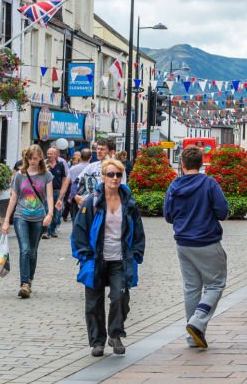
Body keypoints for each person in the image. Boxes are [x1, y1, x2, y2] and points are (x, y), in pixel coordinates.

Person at [72, 156, 146, 357]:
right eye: (110, 174)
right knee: (93, 303)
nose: (114, 178)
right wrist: (85, 254)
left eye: (118, 174)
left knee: (119, 298)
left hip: (120, 260)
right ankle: (97, 342)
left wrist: (137, 253)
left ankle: (115, 334)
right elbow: (79, 229)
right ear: (103, 177)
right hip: (96, 259)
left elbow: (138, 230)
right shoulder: (93, 202)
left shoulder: (129, 203)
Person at [164, 146, 230, 349]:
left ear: (182, 164)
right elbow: (222, 211)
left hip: (183, 243)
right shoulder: (209, 183)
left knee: (191, 288)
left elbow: (168, 216)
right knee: (216, 284)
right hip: (207, 241)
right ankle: (198, 320)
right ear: (201, 164)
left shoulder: (174, 186)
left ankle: (193, 337)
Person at [2, 145, 54, 298]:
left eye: (35, 158)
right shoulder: (20, 175)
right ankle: (24, 283)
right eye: (30, 158)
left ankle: (29, 280)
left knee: (32, 251)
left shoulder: (46, 176)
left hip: (39, 217)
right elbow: (13, 198)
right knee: (24, 249)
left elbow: (50, 197)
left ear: (40, 159)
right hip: (21, 216)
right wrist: (6, 221)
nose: (32, 161)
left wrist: (50, 214)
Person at [77, 139, 126, 207]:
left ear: (112, 152)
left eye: (102, 149)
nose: (99, 151)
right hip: (92, 206)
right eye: (98, 149)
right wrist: (76, 196)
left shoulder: (118, 168)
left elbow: (122, 187)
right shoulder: (91, 166)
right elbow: (77, 180)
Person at [45, 146, 71, 239]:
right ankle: (46, 231)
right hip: (46, 192)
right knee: (47, 210)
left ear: (55, 155)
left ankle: (53, 230)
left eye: (51, 154)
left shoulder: (60, 165)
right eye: (48, 153)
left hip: (56, 191)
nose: (49, 155)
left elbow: (64, 178)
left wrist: (62, 192)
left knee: (56, 212)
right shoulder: (44, 164)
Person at [68, 149, 93, 220]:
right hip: (88, 197)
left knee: (75, 218)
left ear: (81, 157)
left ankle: (75, 230)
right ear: (90, 157)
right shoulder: (92, 167)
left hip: (75, 195)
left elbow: (67, 182)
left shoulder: (73, 168)